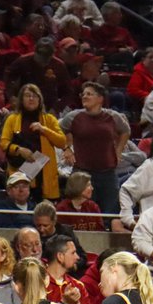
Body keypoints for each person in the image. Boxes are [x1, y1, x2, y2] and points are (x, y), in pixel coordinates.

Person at [60, 82, 130, 217]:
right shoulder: (73, 117)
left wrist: (119, 150)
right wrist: (66, 148)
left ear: (100, 99)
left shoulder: (113, 117)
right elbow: (59, 130)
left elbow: (125, 131)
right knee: (82, 213)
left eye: (89, 94)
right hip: (81, 172)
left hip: (107, 173)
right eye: (83, 94)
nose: (84, 96)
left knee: (110, 213)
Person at [0, 84, 66, 203]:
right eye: (27, 95)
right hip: (21, 170)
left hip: (44, 171)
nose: (31, 98)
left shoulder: (49, 119)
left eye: (35, 96)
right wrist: (19, 150)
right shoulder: (12, 119)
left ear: (40, 100)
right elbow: (3, 142)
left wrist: (44, 129)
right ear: (21, 99)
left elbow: (62, 142)